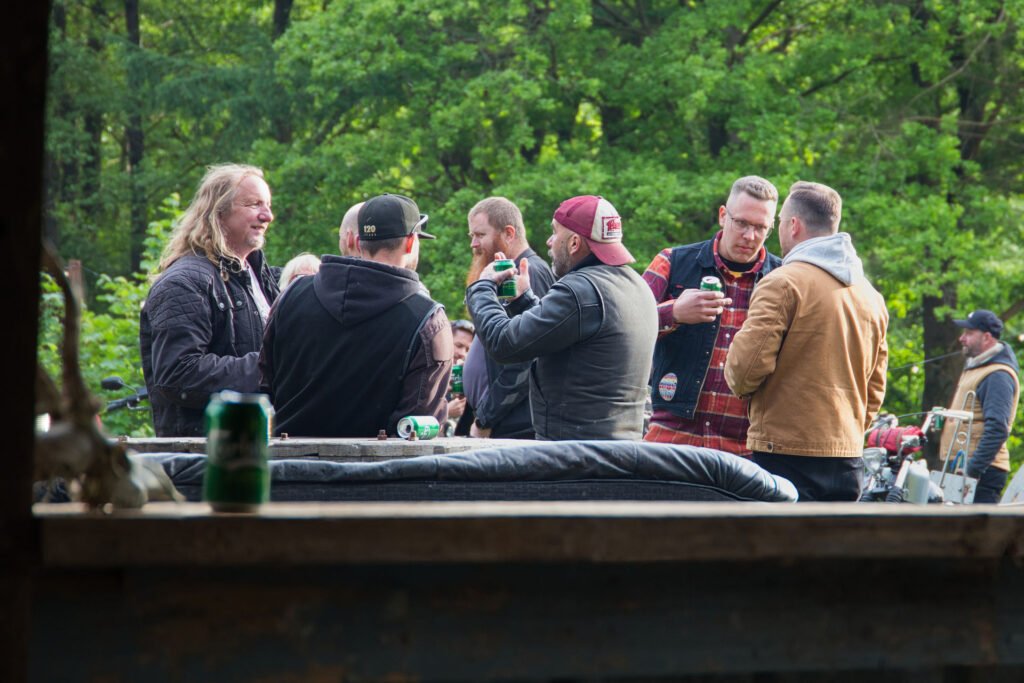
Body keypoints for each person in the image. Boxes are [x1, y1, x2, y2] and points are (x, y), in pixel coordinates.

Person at [724, 181, 889, 501]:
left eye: (781, 223)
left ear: (794, 225)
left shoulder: (784, 283)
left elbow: (743, 374)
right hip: (848, 460)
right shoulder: (871, 297)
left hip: (785, 458)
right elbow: (875, 390)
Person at [259, 193, 453, 437]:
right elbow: (420, 428)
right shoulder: (428, 320)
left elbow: (263, 387)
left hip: (283, 469)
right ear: (411, 242)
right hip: (375, 473)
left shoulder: (292, 294)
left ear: (358, 241)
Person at [466, 195, 657, 440]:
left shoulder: (579, 290)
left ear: (574, 243)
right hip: (617, 450)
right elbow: (561, 337)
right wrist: (522, 301)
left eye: (555, 233)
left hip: (574, 458)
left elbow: (503, 343)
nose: (549, 241)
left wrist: (482, 287)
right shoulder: (636, 285)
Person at [643, 176, 782, 455]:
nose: (749, 236)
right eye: (741, 223)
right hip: (672, 435)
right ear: (722, 216)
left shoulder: (784, 279)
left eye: (760, 228)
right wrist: (674, 313)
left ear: (772, 228)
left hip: (747, 447)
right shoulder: (672, 261)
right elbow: (622, 324)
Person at [140, 163, 280, 436]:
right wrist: (270, 365)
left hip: (250, 445)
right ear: (218, 212)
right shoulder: (184, 282)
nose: (268, 216)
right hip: (201, 460)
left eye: (268, 205)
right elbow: (177, 374)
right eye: (254, 205)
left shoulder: (260, 277)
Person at [462, 197, 556, 439]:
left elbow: (527, 360)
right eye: (472, 235)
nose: (473, 244)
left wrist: (486, 418)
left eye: (480, 234)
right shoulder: (504, 273)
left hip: (513, 429)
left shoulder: (529, 272)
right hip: (500, 425)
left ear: (509, 233)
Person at [938, 309, 1020, 504]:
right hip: (964, 469)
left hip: (981, 473)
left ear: (987, 337)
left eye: (969, 333)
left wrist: (972, 469)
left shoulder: (997, 375)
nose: (962, 338)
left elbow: (998, 428)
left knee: (976, 535)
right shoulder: (979, 368)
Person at [446, 319, 475, 436]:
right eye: (459, 345)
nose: (463, 353)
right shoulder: (428, 373)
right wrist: (446, 411)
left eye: (468, 350)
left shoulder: (469, 379)